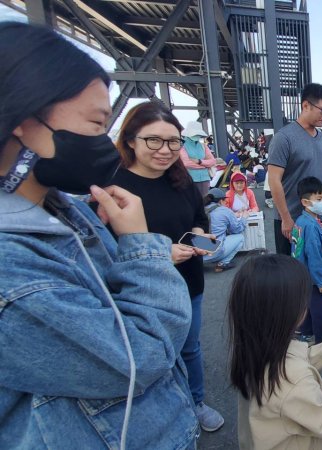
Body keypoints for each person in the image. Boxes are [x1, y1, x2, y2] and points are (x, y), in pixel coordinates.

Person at [0, 22, 198, 448]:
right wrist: (142, 246)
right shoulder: (10, 265)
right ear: (21, 116)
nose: (102, 143)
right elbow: (141, 356)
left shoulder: (64, 209)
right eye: (95, 124)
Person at [111, 100, 225, 433]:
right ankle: (164, 416)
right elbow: (105, 248)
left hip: (188, 283)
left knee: (190, 347)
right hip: (142, 292)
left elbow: (198, 217)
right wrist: (161, 254)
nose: (166, 150)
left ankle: (196, 402)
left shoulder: (181, 177)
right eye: (154, 141)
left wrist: (201, 236)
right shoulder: (113, 186)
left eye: (174, 141)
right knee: (154, 357)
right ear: (131, 139)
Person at [229, 254, 322, 450]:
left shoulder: (252, 348)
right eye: (302, 301)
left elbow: (302, 359)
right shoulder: (292, 381)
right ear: (285, 312)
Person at [268, 83, 322, 255]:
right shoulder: (284, 138)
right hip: (291, 220)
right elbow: (274, 180)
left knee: (315, 267)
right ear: (305, 105)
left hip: (315, 219)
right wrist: (285, 218)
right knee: (290, 275)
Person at [292, 177, 322, 344]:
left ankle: (306, 331)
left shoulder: (301, 220)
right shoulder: (311, 226)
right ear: (305, 202)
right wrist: (321, 280)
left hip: (303, 275)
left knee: (309, 306)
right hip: (315, 277)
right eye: (318, 199)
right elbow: (315, 255)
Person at [204, 188, 246, 273]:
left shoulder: (199, 209)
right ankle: (223, 263)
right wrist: (244, 218)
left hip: (196, 254)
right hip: (214, 252)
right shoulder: (224, 210)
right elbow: (237, 229)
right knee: (240, 237)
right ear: (220, 201)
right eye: (225, 201)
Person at [179, 121, 216, 197]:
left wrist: (199, 161)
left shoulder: (203, 145)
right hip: (189, 179)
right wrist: (204, 165)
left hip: (205, 178)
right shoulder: (182, 146)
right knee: (192, 202)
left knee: (205, 203)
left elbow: (213, 161)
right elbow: (186, 163)